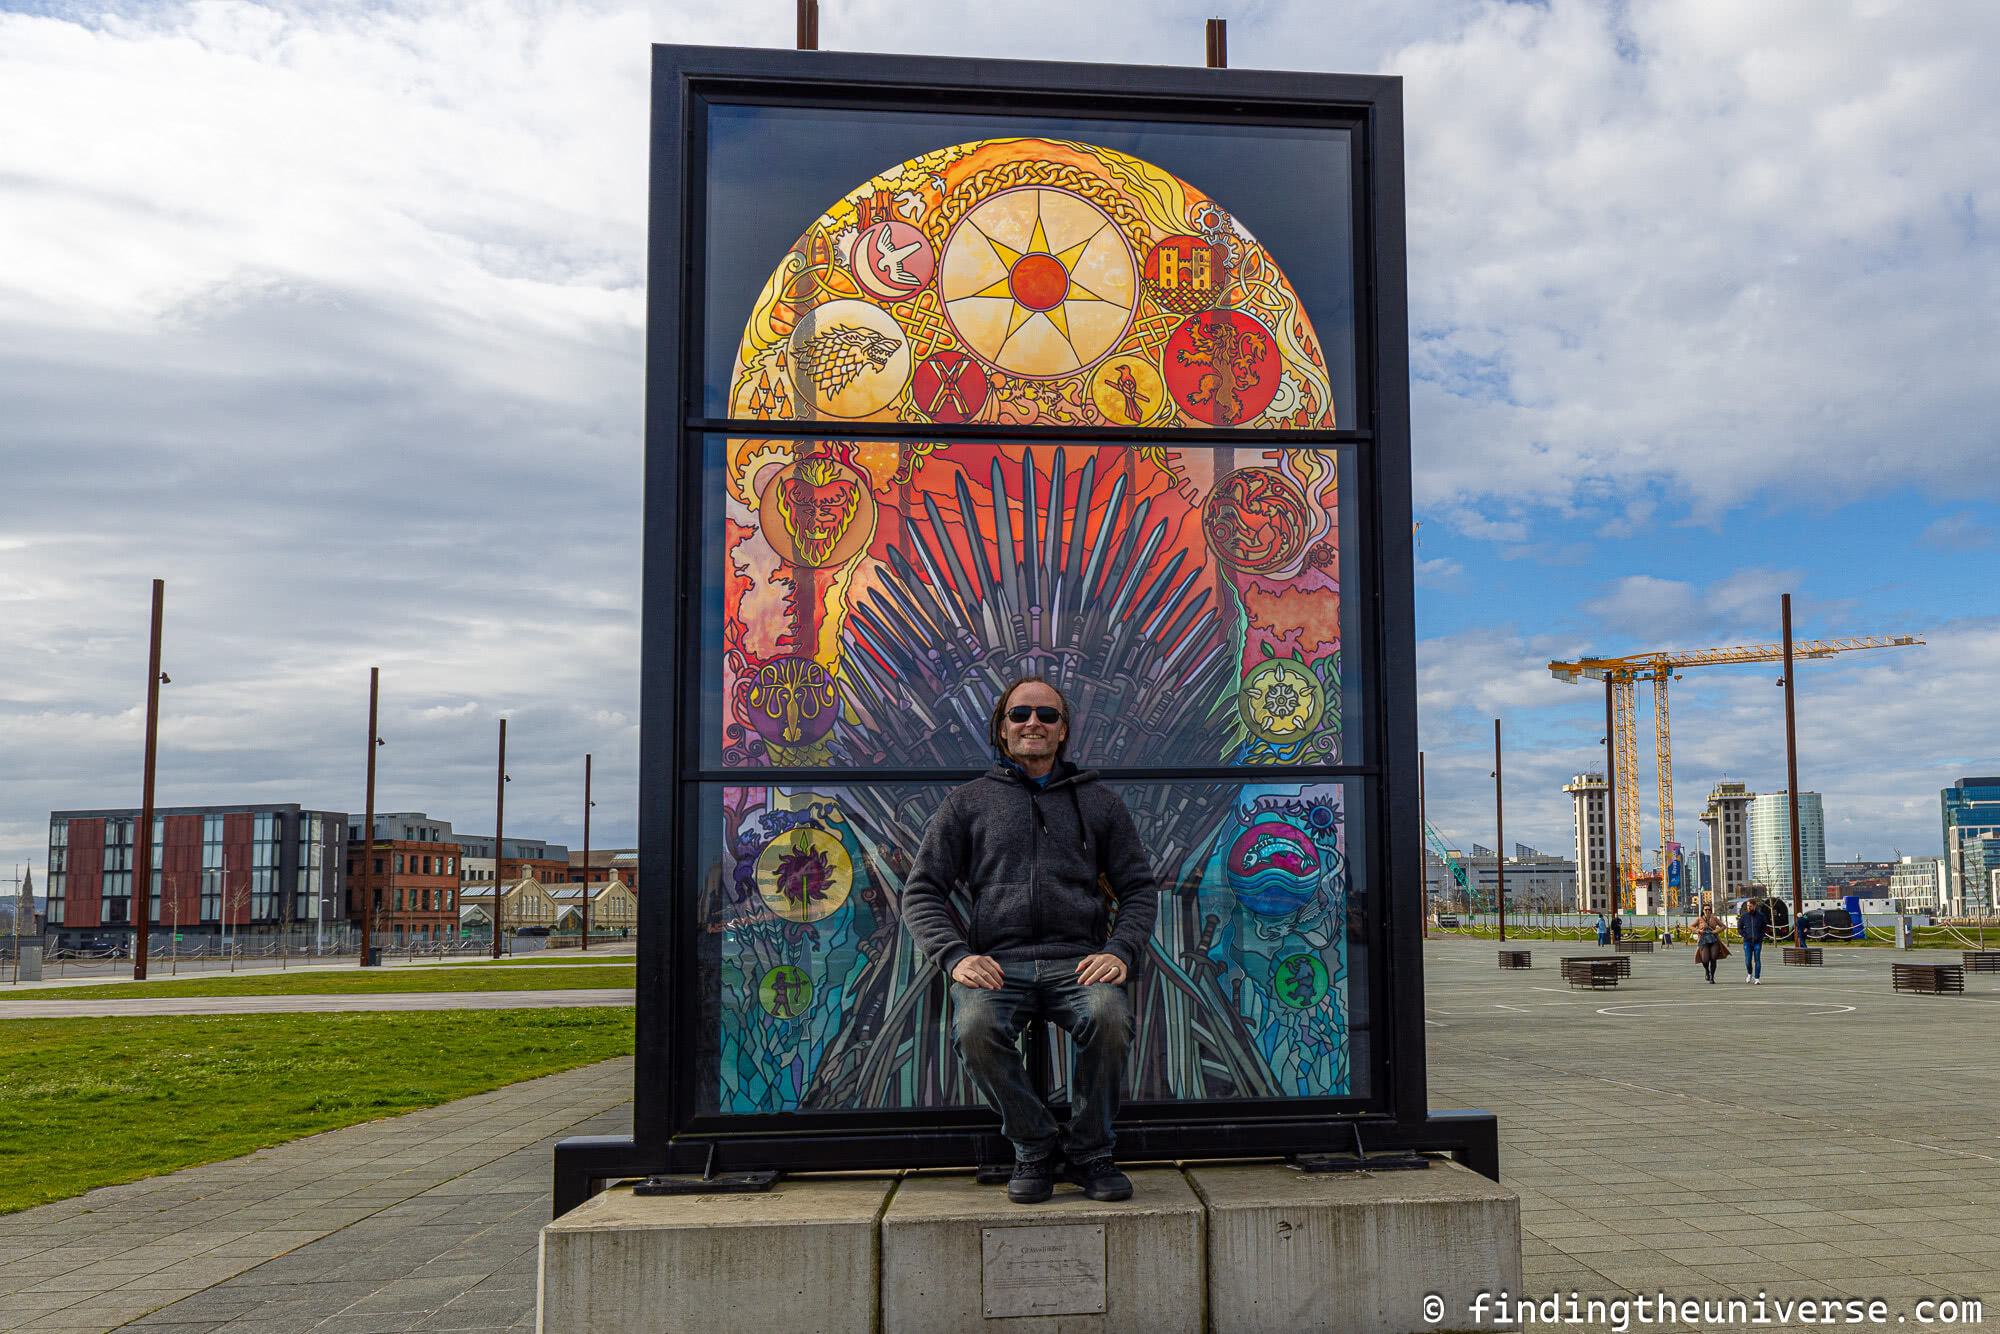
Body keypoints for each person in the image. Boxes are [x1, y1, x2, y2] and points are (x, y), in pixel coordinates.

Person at [902, 675, 1160, 1206]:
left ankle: (1091, 1153)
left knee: (1109, 1018)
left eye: (1047, 715)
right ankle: (1035, 1146)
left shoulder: (1101, 804)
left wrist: (1119, 950)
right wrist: (956, 957)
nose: (1033, 724)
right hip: (998, 963)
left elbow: (1139, 889)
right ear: (1002, 728)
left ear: (1063, 730)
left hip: (1077, 961)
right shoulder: (967, 804)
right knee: (975, 1027)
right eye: (1020, 715)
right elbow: (922, 891)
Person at [1692, 903, 1728, 983]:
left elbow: (1724, 926)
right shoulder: (1699, 919)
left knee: (1713, 957)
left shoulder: (1714, 918)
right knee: (1705, 959)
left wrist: (1716, 931)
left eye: (1709, 909)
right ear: (1703, 911)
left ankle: (1712, 977)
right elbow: (1691, 926)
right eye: (1706, 909)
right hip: (1703, 941)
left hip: (1714, 940)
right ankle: (1707, 971)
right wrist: (1698, 931)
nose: (1708, 911)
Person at [1739, 897, 1770, 984]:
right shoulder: (1744, 917)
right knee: (1748, 960)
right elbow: (1740, 928)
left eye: (1751, 906)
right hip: (1747, 941)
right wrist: (1745, 935)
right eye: (1748, 906)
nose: (1749, 907)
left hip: (1757, 941)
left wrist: (1761, 936)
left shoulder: (1761, 916)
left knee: (1757, 959)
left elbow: (1764, 927)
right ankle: (1749, 973)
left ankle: (1757, 978)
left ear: (1755, 906)